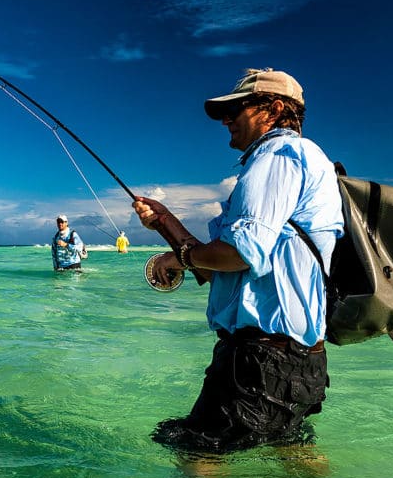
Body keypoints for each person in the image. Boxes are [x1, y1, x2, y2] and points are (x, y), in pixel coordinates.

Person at [132, 68, 344, 454]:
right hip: (300, 360)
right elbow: (227, 274)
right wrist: (166, 224)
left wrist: (178, 257)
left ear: (274, 109)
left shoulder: (278, 156)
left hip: (260, 360)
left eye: (238, 109)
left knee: (196, 452)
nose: (226, 120)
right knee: (292, 452)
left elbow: (239, 253)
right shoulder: (304, 161)